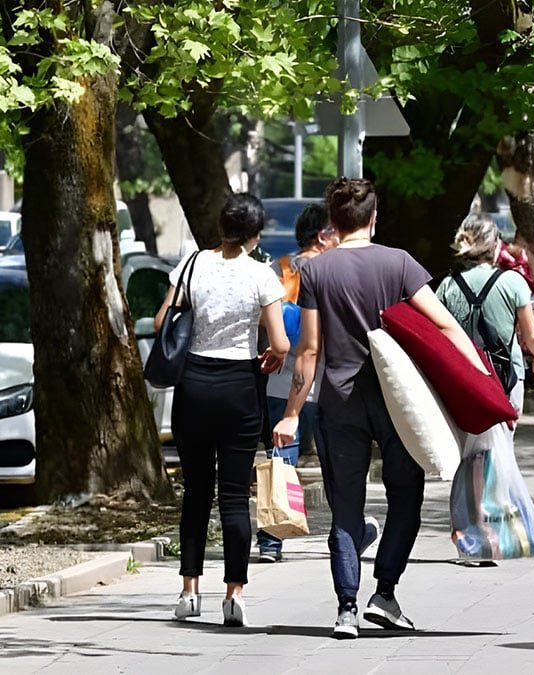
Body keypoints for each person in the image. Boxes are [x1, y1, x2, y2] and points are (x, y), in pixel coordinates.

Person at [272, 178, 485, 640]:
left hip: (339, 402)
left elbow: (308, 351)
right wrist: (483, 383)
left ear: (333, 222)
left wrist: (291, 413)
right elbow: (446, 327)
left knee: (345, 508)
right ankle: (384, 593)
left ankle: (345, 608)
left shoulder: (316, 272)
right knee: (404, 497)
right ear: (373, 218)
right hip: (397, 404)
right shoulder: (399, 264)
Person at [156, 193, 291, 627]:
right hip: (238, 389)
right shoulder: (261, 275)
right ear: (255, 233)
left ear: (221, 226)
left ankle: (189, 589)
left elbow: (162, 322)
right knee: (234, 496)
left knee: (196, 493)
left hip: (193, 385)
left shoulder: (192, 265)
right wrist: (271, 356)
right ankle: (234, 594)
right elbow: (280, 341)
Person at [257, 203, 336, 563]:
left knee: (280, 457)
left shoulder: (280, 268)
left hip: (280, 379)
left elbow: (264, 319)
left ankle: (271, 540)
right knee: (337, 458)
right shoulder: (332, 270)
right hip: (325, 381)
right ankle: (344, 532)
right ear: (322, 236)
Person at [437, 214, 534, 416]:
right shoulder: (513, 282)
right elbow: (532, 335)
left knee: (467, 442)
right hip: (506, 376)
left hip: (462, 375)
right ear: (495, 245)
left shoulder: (448, 285)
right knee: (502, 441)